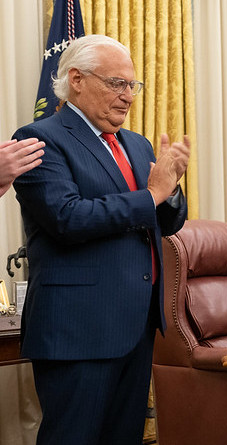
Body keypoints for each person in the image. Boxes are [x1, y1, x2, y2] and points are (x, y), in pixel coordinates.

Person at [12, 35, 190, 444]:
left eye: (132, 86)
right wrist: (152, 195)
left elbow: (167, 220)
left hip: (137, 325)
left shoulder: (136, 143)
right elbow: (66, 218)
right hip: (77, 327)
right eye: (116, 84)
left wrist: (171, 190)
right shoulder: (40, 138)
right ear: (76, 79)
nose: (128, 96)